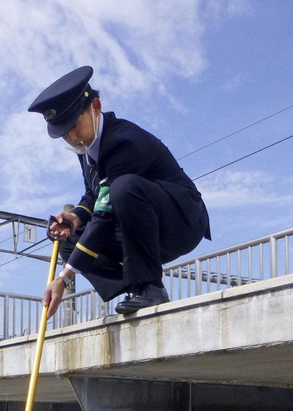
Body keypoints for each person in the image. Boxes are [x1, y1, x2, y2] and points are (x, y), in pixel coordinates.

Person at [28, 66, 211, 317]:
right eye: (63, 133)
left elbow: (105, 213)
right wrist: (77, 216)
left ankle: (151, 287)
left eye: (73, 126)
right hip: (140, 228)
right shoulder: (86, 146)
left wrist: (64, 277)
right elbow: (94, 194)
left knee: (124, 188)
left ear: (95, 106)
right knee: (68, 240)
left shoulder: (124, 141)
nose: (70, 137)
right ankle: (137, 287)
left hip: (180, 223)